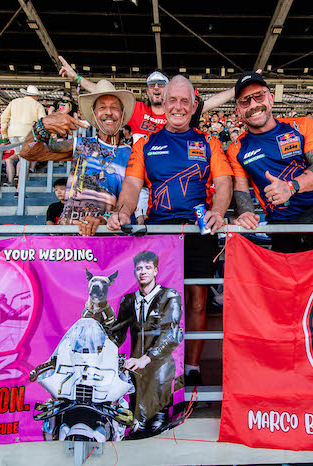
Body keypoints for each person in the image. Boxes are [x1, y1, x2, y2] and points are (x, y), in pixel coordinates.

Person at [107, 75, 233, 385]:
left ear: (194, 105)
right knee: (157, 301)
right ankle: (158, 367)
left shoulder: (209, 142)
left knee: (197, 299)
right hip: (159, 233)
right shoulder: (146, 144)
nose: (178, 106)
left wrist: (218, 211)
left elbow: (224, 182)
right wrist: (122, 212)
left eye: (184, 101)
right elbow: (132, 185)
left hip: (199, 231)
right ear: (163, 104)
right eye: (172, 100)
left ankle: (192, 368)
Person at [225, 71, 313, 252]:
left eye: (259, 96)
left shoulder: (301, 125)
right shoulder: (236, 148)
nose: (253, 104)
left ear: (271, 98)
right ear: (238, 111)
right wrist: (246, 212)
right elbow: (241, 189)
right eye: (245, 101)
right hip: (281, 227)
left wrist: (291, 186)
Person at [20, 79, 138, 237]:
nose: (109, 112)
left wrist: (105, 219)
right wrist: (41, 126)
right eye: (102, 107)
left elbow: (132, 200)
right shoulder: (81, 144)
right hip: (69, 236)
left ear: (122, 115)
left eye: (114, 107)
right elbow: (28, 153)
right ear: (94, 115)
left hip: (108, 237)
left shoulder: (133, 153)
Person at [58, 55, 237, 142]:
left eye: (161, 84)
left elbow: (213, 102)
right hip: (141, 181)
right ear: (147, 91)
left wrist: (240, 88)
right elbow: (105, 94)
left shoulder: (179, 111)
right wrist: (77, 78)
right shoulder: (136, 109)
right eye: (152, 85)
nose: (156, 87)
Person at [110, 251, 183, 436]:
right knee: (135, 428)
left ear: (156, 271)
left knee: (156, 426)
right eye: (139, 268)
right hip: (135, 371)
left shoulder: (169, 296)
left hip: (160, 369)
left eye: (148, 267)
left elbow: (172, 334)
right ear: (134, 272)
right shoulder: (128, 300)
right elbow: (118, 333)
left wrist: (147, 358)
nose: (143, 271)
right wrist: (104, 349)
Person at [0, 85, 46, 172]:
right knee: (26, 158)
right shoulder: (38, 105)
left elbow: (4, 117)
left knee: (21, 157)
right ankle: (21, 178)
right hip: (28, 134)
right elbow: (42, 122)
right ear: (36, 96)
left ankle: (18, 177)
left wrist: (4, 135)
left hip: (13, 134)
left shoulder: (14, 102)